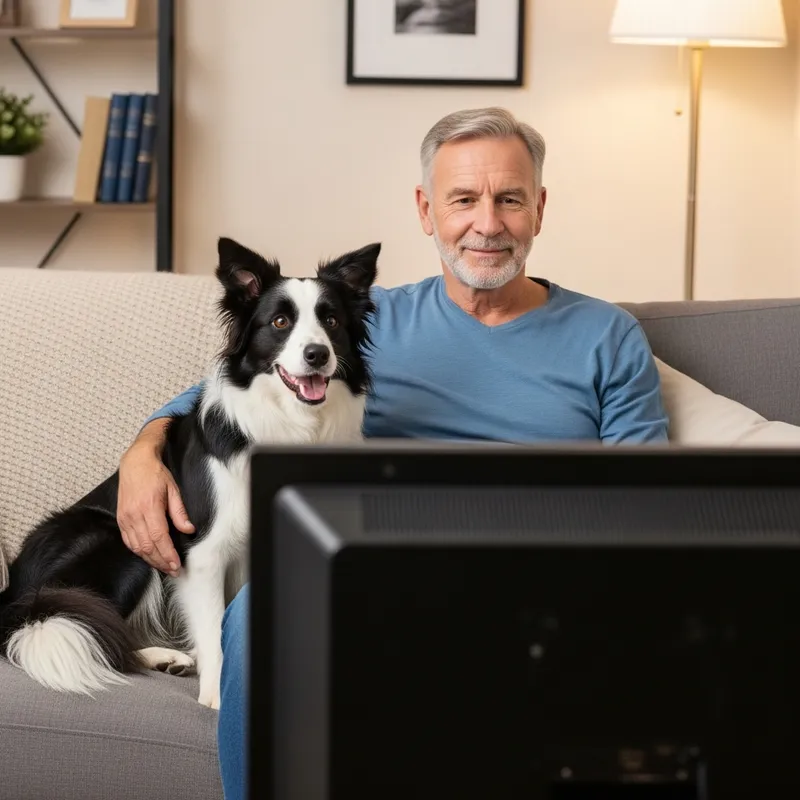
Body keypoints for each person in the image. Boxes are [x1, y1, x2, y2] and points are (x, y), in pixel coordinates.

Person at [115, 106, 668, 799]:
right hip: (376, 570)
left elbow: (656, 499)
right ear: (426, 210)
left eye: (510, 199)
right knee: (257, 613)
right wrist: (143, 450)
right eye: (463, 199)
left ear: (540, 209)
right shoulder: (353, 321)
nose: (487, 223)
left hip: (537, 582)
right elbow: (225, 394)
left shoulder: (607, 335)